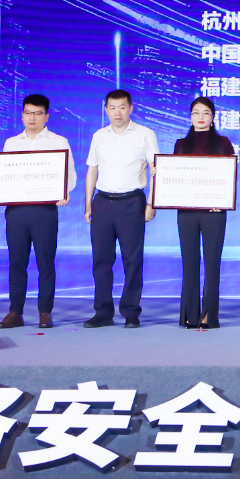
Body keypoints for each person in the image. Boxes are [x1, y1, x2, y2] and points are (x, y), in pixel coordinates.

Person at [0, 93, 75, 330]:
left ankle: (45, 312)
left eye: (37, 113)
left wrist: (63, 192)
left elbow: (70, 176)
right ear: (22, 115)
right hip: (16, 211)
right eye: (27, 113)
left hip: (44, 211)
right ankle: (15, 312)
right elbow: (2, 175)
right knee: (17, 263)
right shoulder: (11, 143)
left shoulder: (59, 142)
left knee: (46, 263)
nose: (32, 118)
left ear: (47, 116)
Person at [83, 89, 159, 329]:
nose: (118, 112)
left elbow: (156, 170)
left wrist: (151, 203)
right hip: (102, 202)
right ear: (106, 110)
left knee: (132, 260)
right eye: (113, 108)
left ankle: (131, 312)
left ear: (131, 108)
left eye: (122, 107)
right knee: (101, 260)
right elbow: (92, 170)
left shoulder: (145, 134)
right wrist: (88, 204)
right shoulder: (99, 136)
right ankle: (103, 313)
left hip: (132, 202)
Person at [171, 97, 234, 330]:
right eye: (195, 112)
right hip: (186, 211)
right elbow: (175, 177)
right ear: (190, 117)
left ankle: (209, 315)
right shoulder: (180, 144)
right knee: (189, 263)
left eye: (206, 112)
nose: (200, 117)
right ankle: (190, 314)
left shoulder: (223, 143)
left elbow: (229, 176)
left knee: (212, 263)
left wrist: (223, 200)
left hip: (214, 212)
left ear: (213, 117)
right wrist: (161, 174)